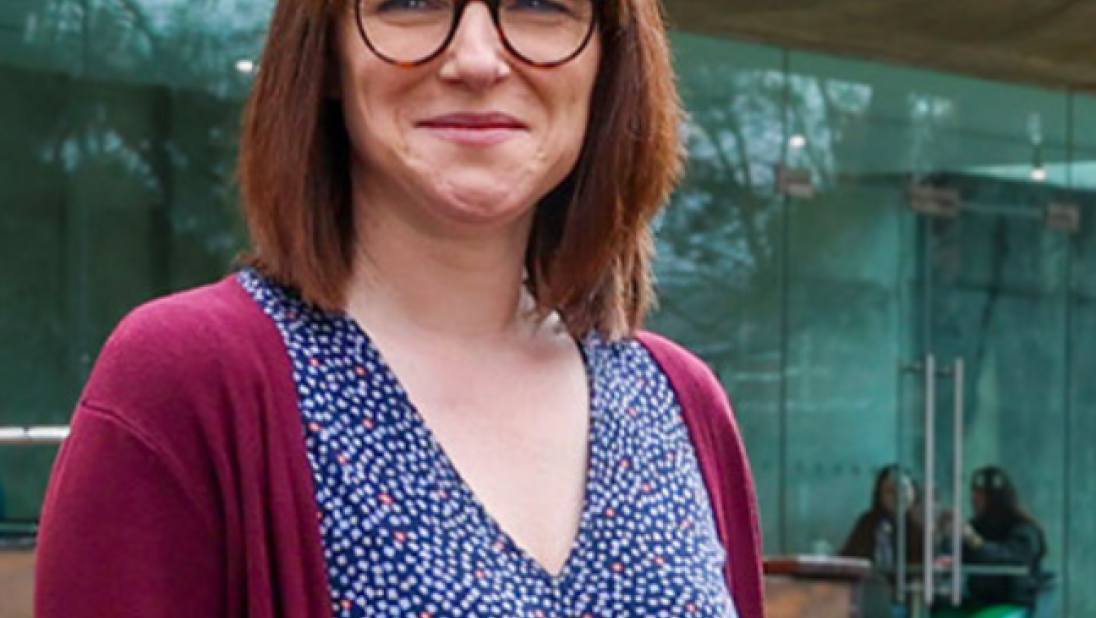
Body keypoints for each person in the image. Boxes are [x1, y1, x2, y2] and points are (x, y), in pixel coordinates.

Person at [34, 0, 765, 617]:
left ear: (609, 61)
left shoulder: (679, 401)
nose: (477, 59)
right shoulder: (188, 379)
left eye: (540, 1)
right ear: (325, 55)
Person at [957, 466, 1048, 610]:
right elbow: (958, 554)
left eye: (980, 495)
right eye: (973, 493)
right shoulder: (977, 525)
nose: (973, 499)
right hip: (978, 599)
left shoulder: (1024, 529)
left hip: (1013, 601)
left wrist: (975, 542)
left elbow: (1009, 556)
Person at [841, 464, 925, 570]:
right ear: (880, 494)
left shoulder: (920, 524)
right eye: (890, 491)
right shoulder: (868, 524)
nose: (898, 496)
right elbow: (849, 559)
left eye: (904, 489)